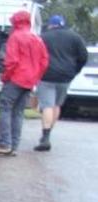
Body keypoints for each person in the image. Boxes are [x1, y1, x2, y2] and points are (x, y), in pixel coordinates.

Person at [0, 10, 48, 156]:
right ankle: (14, 146)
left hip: (15, 78)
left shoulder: (15, 37)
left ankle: (4, 144)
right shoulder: (37, 38)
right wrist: (35, 77)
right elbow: (45, 62)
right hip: (29, 81)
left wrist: (5, 76)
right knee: (18, 112)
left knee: (5, 108)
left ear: (15, 22)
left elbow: (12, 61)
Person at [34, 15, 89, 151]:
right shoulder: (75, 37)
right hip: (65, 77)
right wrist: (74, 71)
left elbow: (36, 55)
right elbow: (83, 56)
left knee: (47, 105)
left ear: (51, 25)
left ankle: (45, 137)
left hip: (46, 75)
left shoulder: (44, 37)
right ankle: (48, 134)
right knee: (56, 105)